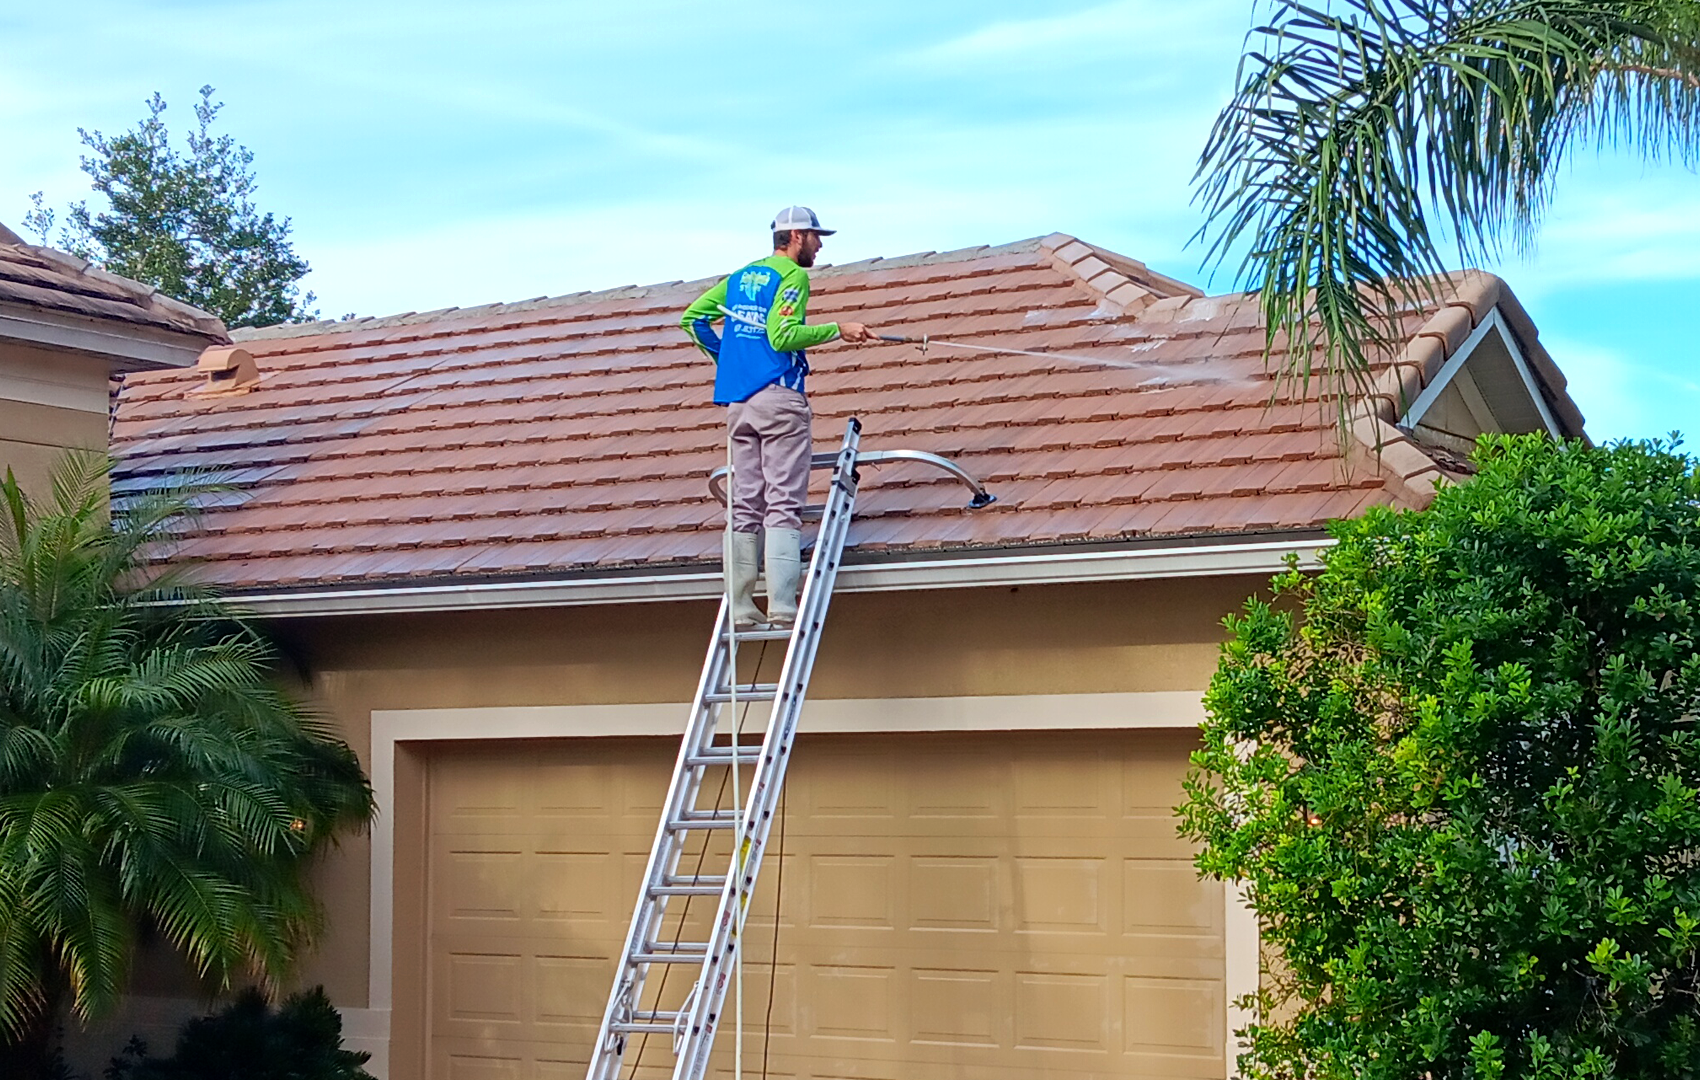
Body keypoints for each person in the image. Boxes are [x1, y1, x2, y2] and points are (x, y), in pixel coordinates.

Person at [681, 206, 878, 629]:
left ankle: (741, 606)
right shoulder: (793, 277)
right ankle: (783, 606)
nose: (820, 246)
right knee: (783, 502)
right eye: (816, 237)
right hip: (778, 399)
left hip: (740, 404)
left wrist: (731, 363)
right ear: (796, 236)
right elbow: (783, 335)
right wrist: (838, 328)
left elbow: (692, 319)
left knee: (745, 504)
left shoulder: (741, 278)